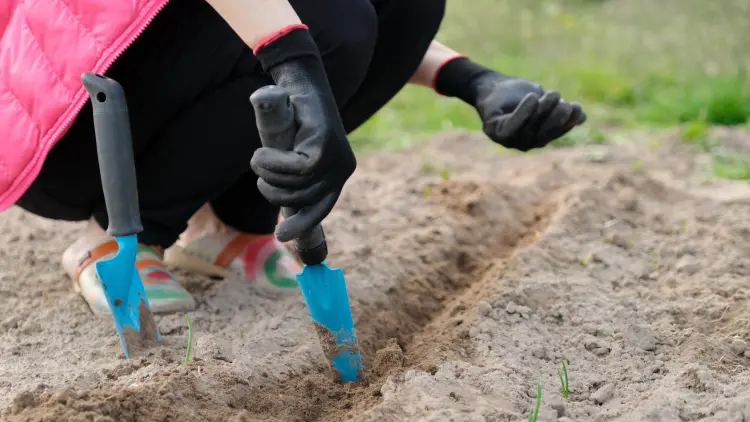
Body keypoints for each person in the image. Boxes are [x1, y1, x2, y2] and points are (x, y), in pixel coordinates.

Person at [0, 0, 585, 317]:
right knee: (330, 26)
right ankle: (121, 234)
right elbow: (307, 28)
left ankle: (225, 225)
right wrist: (297, 62)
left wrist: (468, 79)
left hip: (149, 83)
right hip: (62, 126)